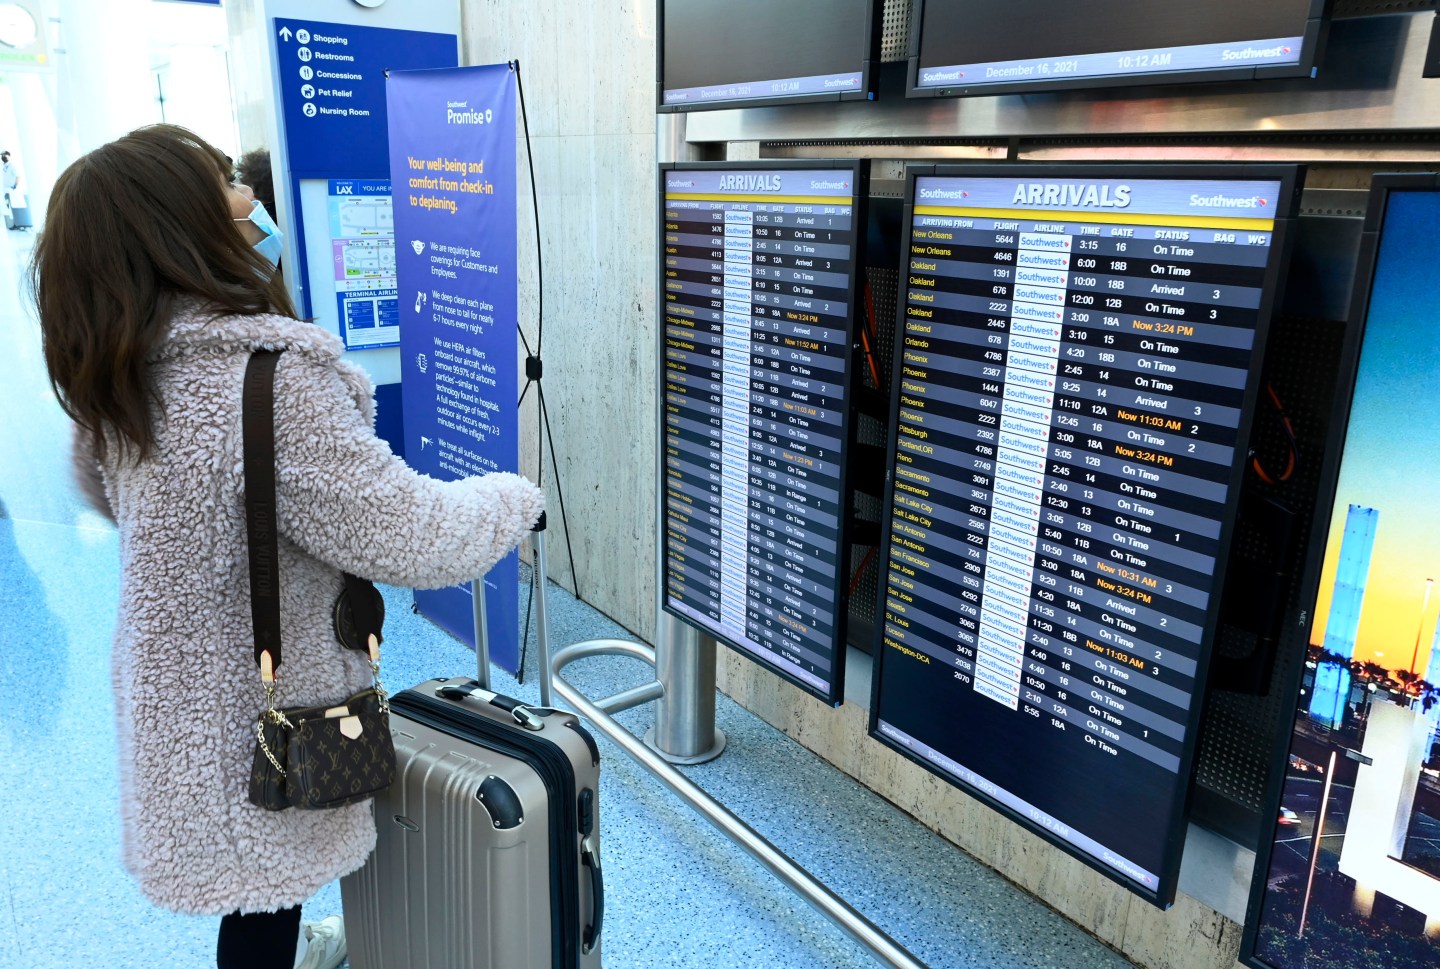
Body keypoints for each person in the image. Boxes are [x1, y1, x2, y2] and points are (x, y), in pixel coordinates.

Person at [32, 125, 544, 969]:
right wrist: (514, 497)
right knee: (265, 884)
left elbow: (101, 490)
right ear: (184, 224)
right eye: (225, 182)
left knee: (256, 893)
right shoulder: (269, 383)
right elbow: (410, 534)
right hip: (259, 707)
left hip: (175, 705)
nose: (249, 198)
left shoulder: (124, 371)